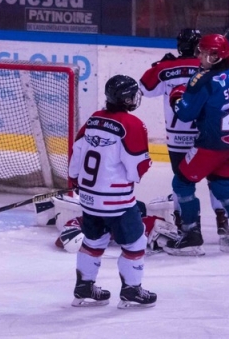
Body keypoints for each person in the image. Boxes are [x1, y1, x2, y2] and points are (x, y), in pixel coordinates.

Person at [69, 75, 157, 309]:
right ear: (127, 98)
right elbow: (136, 170)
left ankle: (84, 287)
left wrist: (74, 181)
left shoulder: (93, 119)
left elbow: (76, 153)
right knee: (136, 242)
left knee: (93, 241)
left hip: (88, 199)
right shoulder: (132, 124)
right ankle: (131, 291)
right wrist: (146, 165)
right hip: (117, 202)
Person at [166, 33, 229, 255]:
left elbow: (186, 114)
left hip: (211, 143)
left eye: (204, 53)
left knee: (182, 183)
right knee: (221, 186)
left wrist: (177, 98)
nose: (199, 56)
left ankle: (191, 236)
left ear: (217, 56)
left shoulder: (203, 80)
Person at [139, 28, 229, 238]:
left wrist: (158, 66)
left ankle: (186, 225)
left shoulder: (165, 68)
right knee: (216, 179)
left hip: (177, 138)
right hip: (207, 137)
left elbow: (142, 88)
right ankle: (222, 221)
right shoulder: (212, 69)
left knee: (182, 182)